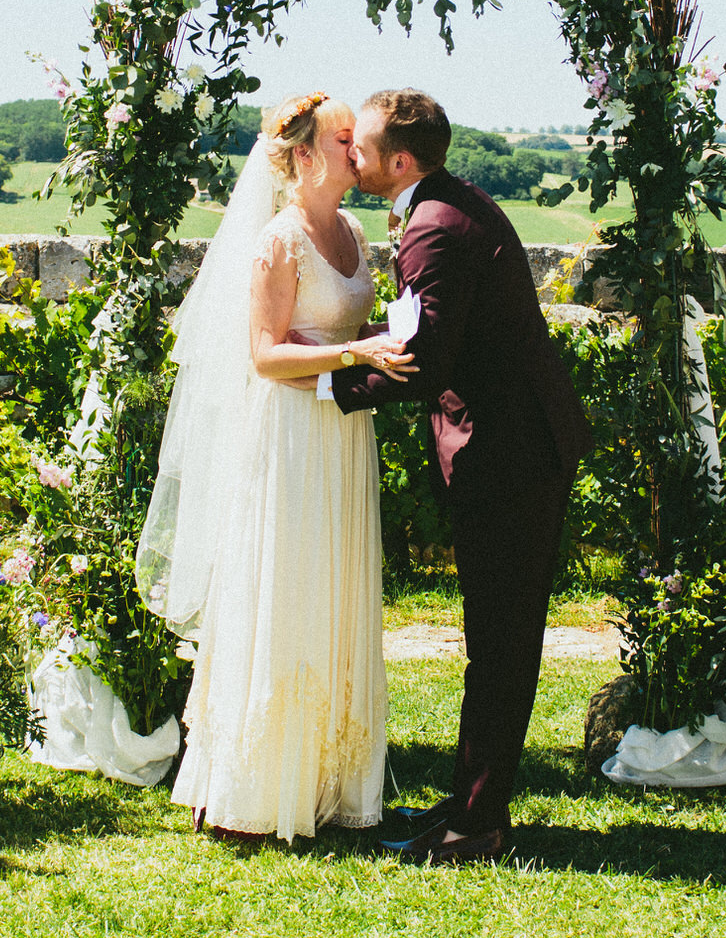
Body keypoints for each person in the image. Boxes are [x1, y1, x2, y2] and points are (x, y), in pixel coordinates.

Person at [324, 88, 593, 866]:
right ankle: (473, 800)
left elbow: (426, 359)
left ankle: (478, 823)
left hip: (510, 457)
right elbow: (426, 330)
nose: (351, 154)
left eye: (361, 146)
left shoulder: (434, 226)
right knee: (498, 641)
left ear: (400, 160)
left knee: (500, 645)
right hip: (522, 445)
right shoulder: (445, 203)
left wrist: (324, 383)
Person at [138, 92, 414, 844]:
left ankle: (330, 780)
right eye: (343, 139)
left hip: (343, 434)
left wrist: (389, 338)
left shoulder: (352, 230)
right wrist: (355, 353)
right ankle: (260, 789)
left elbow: (349, 325)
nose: (357, 150)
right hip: (291, 437)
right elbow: (264, 355)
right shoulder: (277, 241)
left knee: (336, 585)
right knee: (286, 588)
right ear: (303, 156)